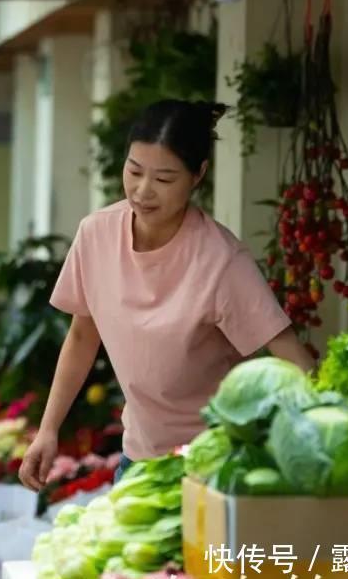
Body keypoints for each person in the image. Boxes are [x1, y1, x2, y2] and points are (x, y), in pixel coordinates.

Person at [18, 99, 316, 491]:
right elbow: (82, 335)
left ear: (198, 175)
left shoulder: (221, 259)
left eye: (164, 179)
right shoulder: (96, 234)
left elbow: (288, 352)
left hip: (213, 465)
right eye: (134, 171)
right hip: (138, 459)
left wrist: (330, 429)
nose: (143, 191)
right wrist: (48, 430)